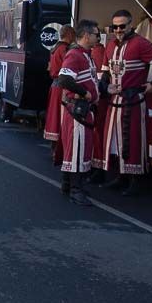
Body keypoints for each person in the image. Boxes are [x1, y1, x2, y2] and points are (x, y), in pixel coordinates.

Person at [96, 9, 152, 196]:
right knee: (115, 142)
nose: (118, 30)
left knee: (133, 140)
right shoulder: (110, 45)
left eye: (122, 26)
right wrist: (103, 88)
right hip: (115, 101)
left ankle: (136, 180)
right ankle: (121, 176)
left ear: (130, 25)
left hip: (133, 101)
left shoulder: (140, 44)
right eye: (115, 26)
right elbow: (105, 72)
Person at [54, 21, 102, 205]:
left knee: (79, 147)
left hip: (82, 109)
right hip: (77, 109)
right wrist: (85, 93)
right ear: (86, 35)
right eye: (96, 34)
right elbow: (64, 79)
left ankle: (68, 184)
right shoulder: (75, 55)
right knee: (77, 148)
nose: (98, 37)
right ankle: (75, 189)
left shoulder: (85, 55)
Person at [42, 25, 77, 166]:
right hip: (61, 87)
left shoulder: (55, 48)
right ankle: (58, 152)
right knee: (60, 118)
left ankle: (55, 150)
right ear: (68, 34)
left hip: (55, 85)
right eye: (73, 34)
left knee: (55, 118)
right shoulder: (64, 49)